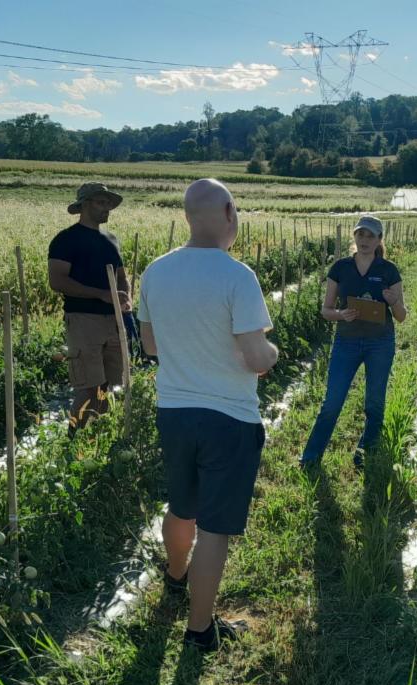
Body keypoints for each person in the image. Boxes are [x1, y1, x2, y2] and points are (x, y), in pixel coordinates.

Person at [138, 179, 276, 652]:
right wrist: (272, 352)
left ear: (187, 216)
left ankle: (175, 575)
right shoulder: (237, 276)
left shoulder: (155, 271)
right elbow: (256, 358)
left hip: (174, 410)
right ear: (230, 213)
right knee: (214, 525)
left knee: (182, 505)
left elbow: (150, 346)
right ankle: (200, 630)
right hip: (228, 416)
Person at [299, 214, 406, 470]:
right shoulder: (340, 268)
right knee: (332, 402)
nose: (364, 240)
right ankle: (310, 458)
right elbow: (326, 310)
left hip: (380, 343)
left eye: (370, 235)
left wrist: (394, 302)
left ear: (379, 239)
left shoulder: (388, 270)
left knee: (374, 403)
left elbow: (401, 316)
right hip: (346, 342)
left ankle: (364, 456)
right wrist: (341, 314)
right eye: (360, 234)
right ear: (354, 236)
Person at [48, 182, 131, 432]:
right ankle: (74, 440)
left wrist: (125, 297)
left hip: (113, 321)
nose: (107, 208)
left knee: (112, 385)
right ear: (84, 205)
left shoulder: (111, 239)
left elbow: (121, 276)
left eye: (109, 203)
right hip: (83, 320)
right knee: (88, 386)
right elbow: (57, 281)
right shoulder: (66, 240)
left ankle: (100, 436)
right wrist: (102, 295)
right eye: (101, 202)